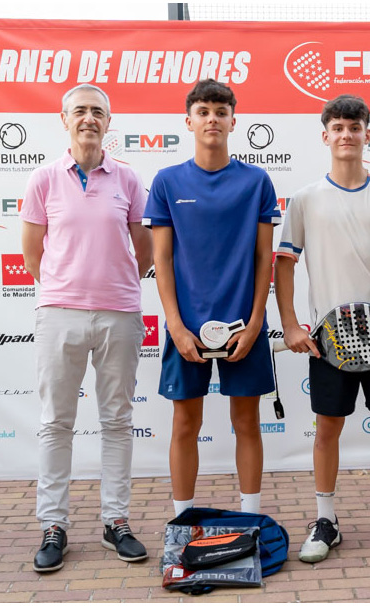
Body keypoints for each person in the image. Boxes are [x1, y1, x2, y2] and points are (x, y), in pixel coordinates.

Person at [275, 94, 370, 562]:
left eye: (355, 127)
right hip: (329, 340)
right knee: (327, 430)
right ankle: (326, 521)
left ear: (368, 134)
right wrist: (290, 325)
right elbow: (285, 264)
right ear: (325, 136)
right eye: (338, 127)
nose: (347, 134)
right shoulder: (305, 199)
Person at [21, 84, 153, 572]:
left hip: (119, 314)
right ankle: (53, 526)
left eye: (98, 111)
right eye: (80, 111)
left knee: (117, 421)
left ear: (108, 122)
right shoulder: (43, 179)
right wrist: (67, 288)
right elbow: (32, 254)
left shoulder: (128, 179)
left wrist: (113, 285)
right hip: (60, 314)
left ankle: (115, 521)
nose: (89, 119)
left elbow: (143, 251)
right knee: (56, 422)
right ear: (65, 119)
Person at [142, 79, 280, 518]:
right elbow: (161, 259)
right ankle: (182, 520)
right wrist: (175, 325)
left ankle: (251, 518)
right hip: (186, 326)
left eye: (221, 112)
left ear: (233, 121)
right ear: (188, 122)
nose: (212, 119)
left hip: (245, 326)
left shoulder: (256, 181)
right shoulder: (167, 181)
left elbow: (264, 258)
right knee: (185, 423)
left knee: (247, 423)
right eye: (203, 112)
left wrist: (255, 322)